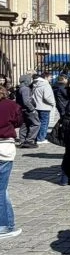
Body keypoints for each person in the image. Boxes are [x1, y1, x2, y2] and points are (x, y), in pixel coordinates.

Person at [0, 86, 22, 239]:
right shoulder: (11, 105)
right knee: (1, 189)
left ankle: (6, 223)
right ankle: (4, 225)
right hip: (4, 147)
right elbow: (19, 121)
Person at [32, 71, 56, 144]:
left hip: (37, 106)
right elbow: (47, 97)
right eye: (50, 77)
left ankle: (37, 137)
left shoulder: (36, 84)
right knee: (44, 123)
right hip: (45, 107)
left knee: (39, 123)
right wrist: (53, 102)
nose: (51, 79)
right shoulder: (45, 85)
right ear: (46, 77)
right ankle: (41, 138)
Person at [15, 74, 39, 148]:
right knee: (36, 124)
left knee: (24, 125)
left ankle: (22, 141)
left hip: (22, 109)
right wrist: (32, 109)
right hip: (28, 110)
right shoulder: (25, 88)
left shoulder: (20, 88)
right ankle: (29, 140)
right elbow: (26, 101)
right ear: (26, 80)